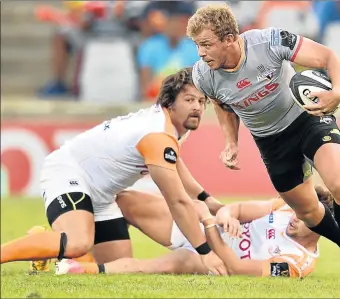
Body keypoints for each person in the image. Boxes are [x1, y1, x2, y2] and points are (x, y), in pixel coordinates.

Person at [186, 4, 340, 289]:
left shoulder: (269, 42)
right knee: (308, 213)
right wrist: (231, 142)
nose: (200, 53)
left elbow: (330, 57)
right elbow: (222, 105)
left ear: (229, 39)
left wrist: (337, 91)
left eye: (206, 45)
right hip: (270, 142)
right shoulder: (203, 74)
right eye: (197, 45)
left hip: (307, 119)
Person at [0, 68, 225, 275]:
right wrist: (205, 252)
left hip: (102, 194)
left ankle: (45, 247)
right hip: (69, 173)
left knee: (115, 266)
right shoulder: (158, 136)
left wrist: (207, 199)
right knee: (77, 242)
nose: (197, 106)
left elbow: (176, 164)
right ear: (169, 103)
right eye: (189, 100)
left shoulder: (166, 126)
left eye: (201, 101)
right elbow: (178, 202)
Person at [56, 186, 333, 279]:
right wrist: (222, 216)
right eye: (300, 210)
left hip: (205, 258)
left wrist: (210, 229)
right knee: (124, 200)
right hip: (198, 227)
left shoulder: (296, 265)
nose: (295, 217)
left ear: (322, 227)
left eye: (305, 217)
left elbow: (236, 267)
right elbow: (235, 209)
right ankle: (67, 245)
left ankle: (74, 269)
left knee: (147, 268)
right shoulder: (285, 208)